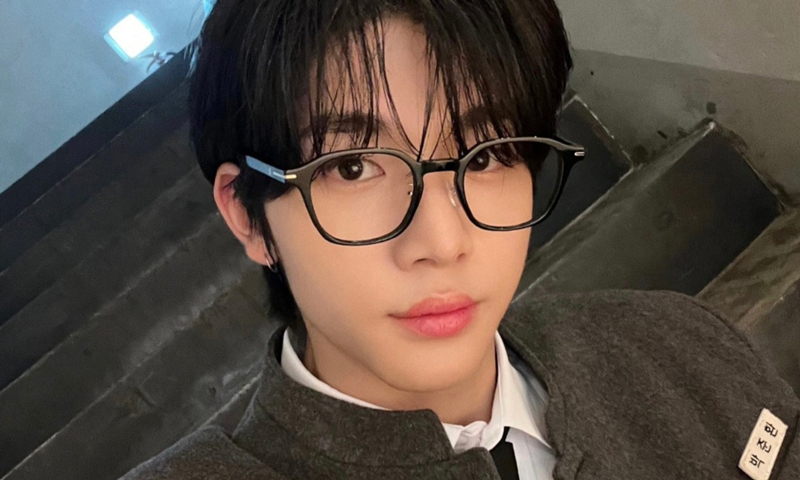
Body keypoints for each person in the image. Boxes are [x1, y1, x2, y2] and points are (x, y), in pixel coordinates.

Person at [122, 0, 800, 478]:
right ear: (248, 216)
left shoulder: (674, 340)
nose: (443, 241)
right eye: (353, 167)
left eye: (488, 155)